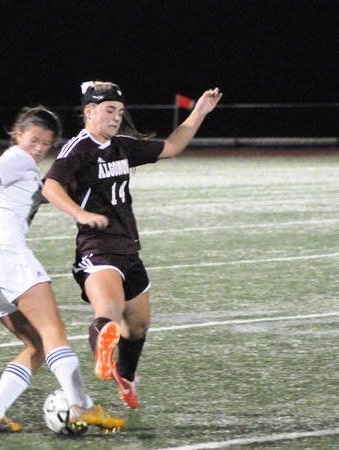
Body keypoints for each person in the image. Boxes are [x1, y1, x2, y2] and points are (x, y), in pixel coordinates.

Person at [42, 81, 222, 409]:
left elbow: (172, 147)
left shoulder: (122, 146)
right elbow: (51, 186)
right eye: (110, 110)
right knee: (109, 311)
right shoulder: (77, 149)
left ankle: (125, 375)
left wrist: (199, 112)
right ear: (89, 111)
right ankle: (103, 352)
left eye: (120, 112)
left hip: (129, 249)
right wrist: (80, 213)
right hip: (97, 248)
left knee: (138, 325)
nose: (116, 117)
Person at [0, 105, 125, 434]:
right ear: (18, 135)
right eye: (34, 140)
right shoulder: (17, 159)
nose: (39, 148)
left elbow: (46, 191)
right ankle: (80, 406)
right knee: (53, 331)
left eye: (46, 143)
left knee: (37, 345)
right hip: (5, 254)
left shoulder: (24, 171)